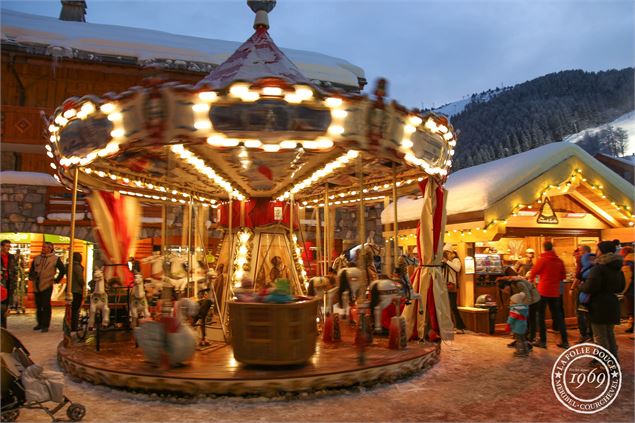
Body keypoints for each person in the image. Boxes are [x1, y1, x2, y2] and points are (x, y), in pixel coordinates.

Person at [580, 241, 625, 361]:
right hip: (612, 303)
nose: (596, 252)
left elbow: (590, 287)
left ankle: (606, 365)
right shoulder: (618, 267)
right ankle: (614, 362)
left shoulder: (599, 268)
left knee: (600, 337)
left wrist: (581, 286)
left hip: (599, 305)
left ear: (602, 251)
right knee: (610, 335)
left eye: (598, 249)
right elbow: (621, 286)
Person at [529, 241, 569, 349]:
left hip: (542, 291)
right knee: (558, 316)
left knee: (540, 316)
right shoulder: (559, 261)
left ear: (544, 248)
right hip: (555, 292)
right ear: (552, 248)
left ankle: (543, 341)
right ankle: (565, 341)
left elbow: (533, 273)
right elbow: (563, 276)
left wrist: (531, 280)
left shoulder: (542, 260)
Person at [497, 266, 540, 347]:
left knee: (529, 321)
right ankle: (520, 340)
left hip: (534, 300)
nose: (506, 292)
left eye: (505, 290)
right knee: (521, 322)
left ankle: (528, 341)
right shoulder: (512, 286)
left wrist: (522, 307)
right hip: (526, 301)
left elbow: (528, 297)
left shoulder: (519, 284)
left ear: (506, 286)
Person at [29, 242, 66, 332]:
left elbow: (62, 270)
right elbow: (32, 269)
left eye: (45, 247)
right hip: (36, 284)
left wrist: (56, 280)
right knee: (38, 305)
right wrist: (31, 276)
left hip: (47, 284)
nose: (43, 248)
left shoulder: (55, 259)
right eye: (43, 247)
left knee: (45, 305)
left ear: (50, 249)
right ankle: (40, 323)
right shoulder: (37, 258)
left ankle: (45, 325)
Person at [570, 245, 595, 342]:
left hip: (583, 289)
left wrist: (572, 288)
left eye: (579, 251)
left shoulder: (581, 261)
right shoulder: (595, 260)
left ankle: (583, 334)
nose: (578, 252)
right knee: (589, 312)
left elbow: (578, 276)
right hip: (592, 290)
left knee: (580, 312)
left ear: (584, 251)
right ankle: (591, 334)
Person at [442, 244, 466, 334]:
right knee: (446, 307)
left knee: (453, 307)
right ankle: (451, 326)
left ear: (451, 252)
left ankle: (460, 326)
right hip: (444, 286)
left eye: (447, 252)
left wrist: (447, 262)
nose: (446, 254)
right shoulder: (447, 261)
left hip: (451, 286)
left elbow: (457, 269)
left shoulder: (455, 260)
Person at [1, 240, 18, 328]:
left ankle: (3, 326)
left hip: (9, 282)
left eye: (9, 246)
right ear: (2, 246)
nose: (8, 248)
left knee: (6, 305)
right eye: (7, 246)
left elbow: (15, 269)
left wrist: (14, 280)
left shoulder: (11, 257)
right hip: (1, 282)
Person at [506, 292, 529, 357]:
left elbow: (511, 318)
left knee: (519, 340)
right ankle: (526, 350)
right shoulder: (524, 308)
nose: (510, 302)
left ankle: (520, 351)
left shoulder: (515, 310)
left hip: (518, 327)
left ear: (515, 302)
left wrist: (508, 324)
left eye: (511, 301)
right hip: (523, 326)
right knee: (523, 339)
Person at [67, 252, 85, 332]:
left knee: (71, 308)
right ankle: (74, 326)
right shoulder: (77, 267)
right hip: (77, 290)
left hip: (70, 289)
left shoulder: (69, 266)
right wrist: (83, 285)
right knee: (76, 309)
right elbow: (79, 278)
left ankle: (70, 325)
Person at [620, 246, 634, 333]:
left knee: (631, 309)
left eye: (622, 252)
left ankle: (631, 326)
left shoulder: (628, 262)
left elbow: (627, 277)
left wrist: (623, 290)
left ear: (625, 252)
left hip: (631, 289)